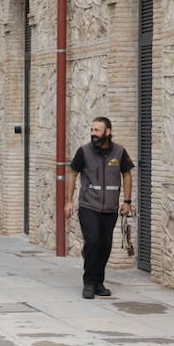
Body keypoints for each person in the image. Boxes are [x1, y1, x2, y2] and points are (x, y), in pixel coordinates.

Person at [64, 116, 134, 299]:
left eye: (97, 130)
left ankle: (99, 283)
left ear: (107, 132)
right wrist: (69, 201)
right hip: (89, 206)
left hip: (110, 209)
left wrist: (127, 202)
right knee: (93, 241)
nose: (93, 134)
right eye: (92, 130)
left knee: (105, 246)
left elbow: (127, 175)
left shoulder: (119, 152)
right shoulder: (84, 151)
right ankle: (88, 282)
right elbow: (72, 175)